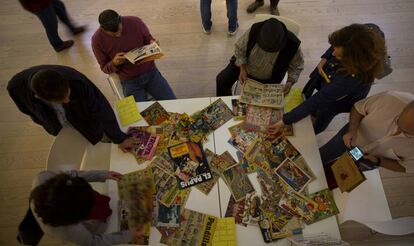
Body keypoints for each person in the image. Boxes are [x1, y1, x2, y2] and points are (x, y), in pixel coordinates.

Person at [268, 23, 386, 135]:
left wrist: (285, 120)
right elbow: (337, 45)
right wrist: (324, 59)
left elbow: (317, 100)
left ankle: (313, 132)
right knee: (308, 97)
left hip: (339, 100)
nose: (333, 54)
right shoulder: (363, 32)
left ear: (352, 60)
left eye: (339, 55)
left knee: (323, 113)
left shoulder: (347, 81)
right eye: (334, 48)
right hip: (330, 75)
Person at [7, 65, 135, 152]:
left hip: (85, 121)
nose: (68, 100)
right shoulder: (16, 88)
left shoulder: (75, 80)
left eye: (68, 94)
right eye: (62, 100)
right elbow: (28, 111)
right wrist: (48, 124)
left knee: (99, 142)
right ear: (39, 97)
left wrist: (119, 138)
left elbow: (100, 107)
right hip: (60, 128)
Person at [30, 170, 144, 245]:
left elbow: (73, 175)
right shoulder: (69, 231)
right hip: (95, 227)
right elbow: (93, 243)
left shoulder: (43, 177)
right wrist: (128, 235)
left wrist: (102, 174)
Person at [91, 9, 176, 102]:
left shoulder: (135, 22)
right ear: (103, 29)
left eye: (119, 30)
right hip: (129, 81)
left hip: (151, 72)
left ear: (121, 21)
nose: (118, 35)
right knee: (139, 114)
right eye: (114, 34)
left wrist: (152, 43)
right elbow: (104, 68)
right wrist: (114, 63)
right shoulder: (97, 40)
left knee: (172, 103)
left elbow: (148, 38)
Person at [319, 91, 414, 173]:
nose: (398, 131)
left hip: (366, 161)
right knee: (321, 156)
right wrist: (352, 129)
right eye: (398, 121)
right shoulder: (389, 98)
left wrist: (379, 162)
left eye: (407, 132)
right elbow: (358, 108)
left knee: (336, 178)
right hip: (349, 138)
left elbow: (405, 167)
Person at [216, 18, 304, 96]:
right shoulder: (255, 30)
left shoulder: (292, 43)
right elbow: (239, 49)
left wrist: (290, 82)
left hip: (269, 79)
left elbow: (297, 66)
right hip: (243, 65)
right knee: (221, 80)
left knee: (258, 105)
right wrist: (242, 69)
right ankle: (226, 105)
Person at [18, 0, 86, 52]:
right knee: (51, 23)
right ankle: (57, 44)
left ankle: (72, 28)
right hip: (38, 3)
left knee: (60, 8)